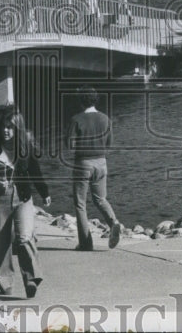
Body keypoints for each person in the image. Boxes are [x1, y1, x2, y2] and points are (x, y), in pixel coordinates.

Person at [0, 107, 50, 298]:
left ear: (18, 129)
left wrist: (44, 192)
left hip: (22, 197)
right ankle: (5, 281)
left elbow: (34, 170)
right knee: (2, 242)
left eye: (11, 127)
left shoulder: (25, 146)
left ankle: (31, 278)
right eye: (4, 127)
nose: (6, 130)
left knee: (24, 238)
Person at [67, 86, 122, 251]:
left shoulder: (76, 119)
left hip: (83, 163)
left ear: (80, 101)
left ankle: (85, 243)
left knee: (80, 204)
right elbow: (110, 144)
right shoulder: (105, 119)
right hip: (101, 162)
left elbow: (69, 144)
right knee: (100, 199)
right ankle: (114, 222)